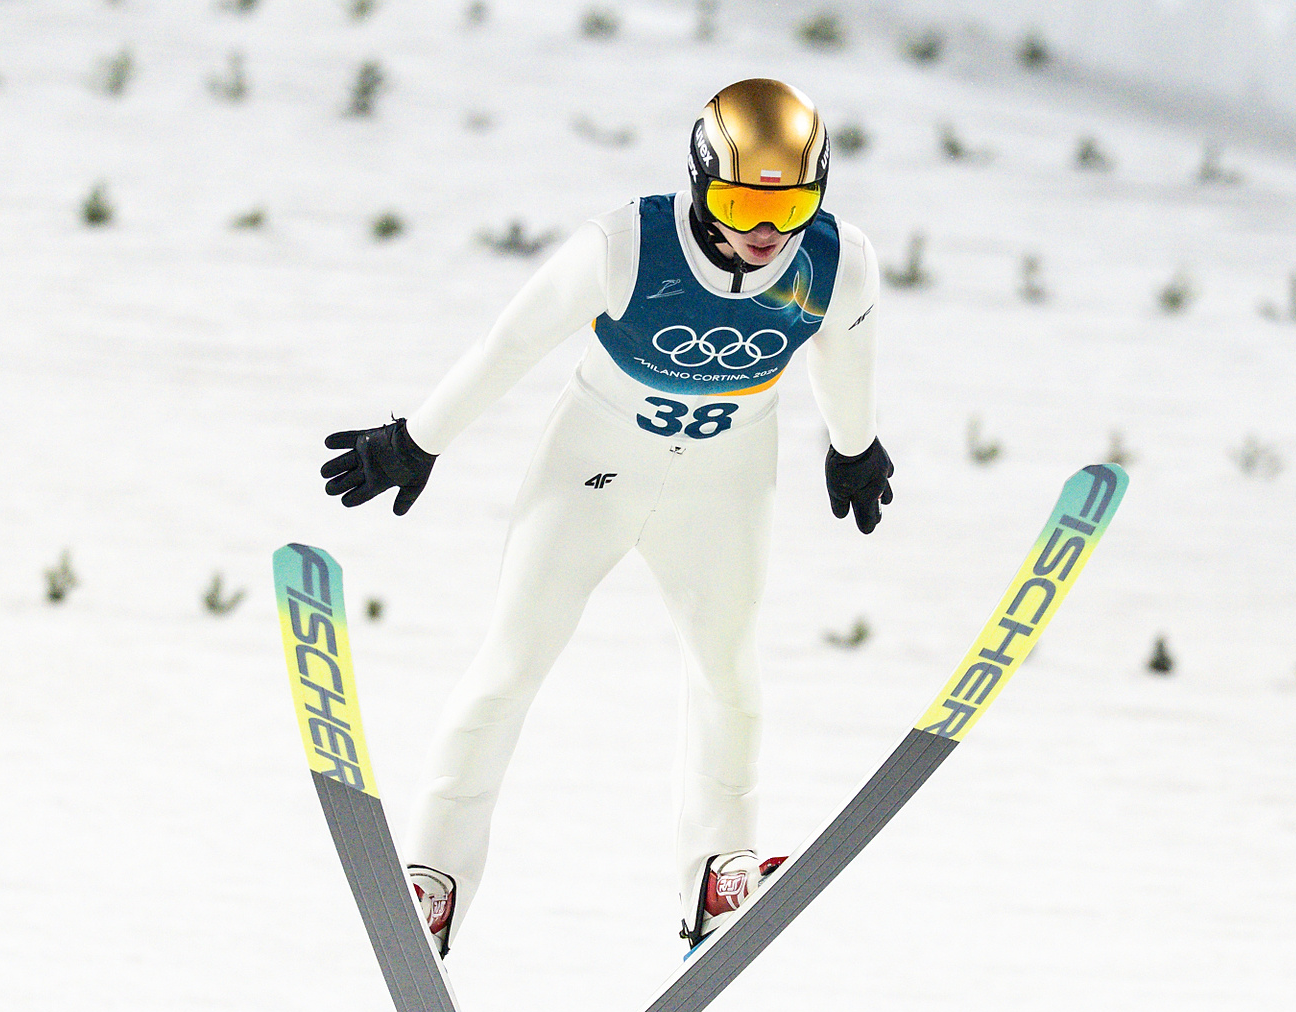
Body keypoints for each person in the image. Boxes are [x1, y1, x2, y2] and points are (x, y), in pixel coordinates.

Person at [321, 78, 893, 955]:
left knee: (730, 679)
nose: (764, 229)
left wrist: (854, 444)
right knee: (512, 663)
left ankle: (717, 871)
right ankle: (433, 876)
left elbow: (849, 357)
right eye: (740, 201)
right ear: (702, 183)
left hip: (726, 479)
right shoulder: (626, 244)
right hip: (594, 465)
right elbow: (509, 343)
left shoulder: (838, 260)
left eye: (790, 205)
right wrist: (419, 438)